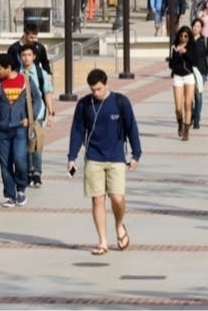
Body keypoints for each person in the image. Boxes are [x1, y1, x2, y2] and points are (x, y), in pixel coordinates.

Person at [67, 68, 142, 256]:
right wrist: (72, 157)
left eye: (99, 89)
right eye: (92, 89)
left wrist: (136, 154)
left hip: (116, 157)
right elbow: (77, 131)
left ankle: (119, 225)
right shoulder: (84, 105)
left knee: (117, 198)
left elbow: (132, 127)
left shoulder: (120, 102)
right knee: (97, 199)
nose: (95, 93)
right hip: (93, 157)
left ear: (106, 84)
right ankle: (102, 241)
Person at [0, 52, 41, 207]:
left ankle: (21, 189)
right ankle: (10, 194)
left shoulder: (26, 81)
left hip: (20, 129)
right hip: (2, 130)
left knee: (20, 159)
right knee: (5, 163)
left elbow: (37, 100)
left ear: (8, 67)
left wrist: (30, 117)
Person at [20, 44, 53, 186]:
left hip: (37, 114)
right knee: (25, 145)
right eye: (23, 55)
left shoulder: (41, 74)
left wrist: (50, 113)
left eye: (29, 55)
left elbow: (47, 93)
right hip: (22, 116)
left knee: (36, 144)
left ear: (34, 57)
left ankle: (37, 172)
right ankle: (27, 171)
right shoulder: (18, 73)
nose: (26, 58)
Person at [188, 17, 208, 130]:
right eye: (194, 25)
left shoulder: (204, 41)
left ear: (201, 29)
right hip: (189, 71)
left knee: (198, 95)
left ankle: (196, 117)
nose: (196, 28)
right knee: (189, 96)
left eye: (198, 26)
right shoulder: (187, 40)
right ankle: (191, 115)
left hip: (201, 71)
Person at [168, 26, 196, 140]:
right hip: (178, 77)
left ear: (189, 37)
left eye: (186, 36)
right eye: (181, 36)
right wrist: (177, 55)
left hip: (189, 76)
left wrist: (185, 53)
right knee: (178, 107)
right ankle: (180, 122)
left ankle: (186, 130)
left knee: (188, 105)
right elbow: (171, 65)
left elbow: (195, 61)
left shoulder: (192, 47)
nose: (183, 38)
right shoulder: (174, 47)